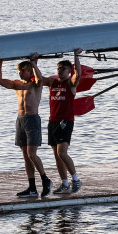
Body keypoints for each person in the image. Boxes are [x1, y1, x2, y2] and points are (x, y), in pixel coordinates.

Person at [0, 55, 52, 198]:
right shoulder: (17, 84)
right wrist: (0, 61)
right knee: (26, 156)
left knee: (32, 154)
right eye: (19, 71)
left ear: (30, 71)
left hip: (32, 119)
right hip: (20, 120)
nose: (20, 73)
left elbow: (40, 78)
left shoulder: (36, 84)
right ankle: (32, 188)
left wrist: (33, 62)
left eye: (23, 71)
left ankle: (46, 180)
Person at [38, 50, 82, 194]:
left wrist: (76, 56)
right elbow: (39, 79)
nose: (59, 71)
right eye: (58, 68)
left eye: (62, 69)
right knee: (56, 155)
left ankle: (75, 179)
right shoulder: (52, 81)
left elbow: (79, 75)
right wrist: (33, 62)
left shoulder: (71, 83)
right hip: (53, 121)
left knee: (62, 152)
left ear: (69, 71)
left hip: (66, 121)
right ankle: (64, 183)